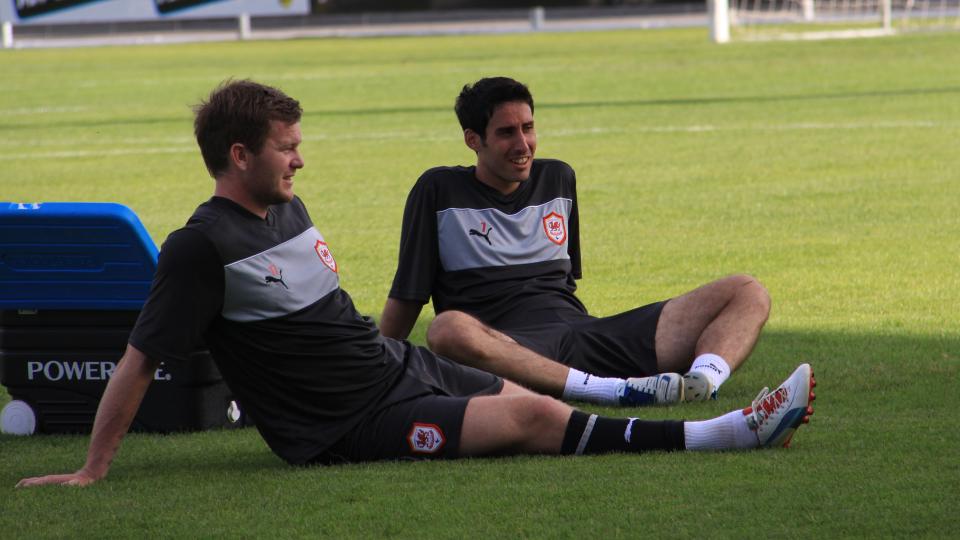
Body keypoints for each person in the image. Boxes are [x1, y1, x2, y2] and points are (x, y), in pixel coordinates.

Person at [16, 80, 815, 488]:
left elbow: (331, 321)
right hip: (343, 425)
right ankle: (727, 432)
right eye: (286, 147)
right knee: (534, 416)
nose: (300, 158)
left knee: (526, 402)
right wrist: (93, 469)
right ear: (238, 156)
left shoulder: (287, 212)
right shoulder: (199, 247)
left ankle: (672, 398)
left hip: (391, 370)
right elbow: (140, 359)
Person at [380, 76, 771, 407]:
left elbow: (565, 285)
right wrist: (374, 370)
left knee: (746, 291)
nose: (523, 144)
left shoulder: (558, 179)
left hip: (585, 335)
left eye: (528, 128)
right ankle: (613, 392)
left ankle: (700, 384)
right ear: (472, 139)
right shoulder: (438, 190)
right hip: (509, 348)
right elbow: (408, 296)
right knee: (446, 330)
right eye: (506, 132)